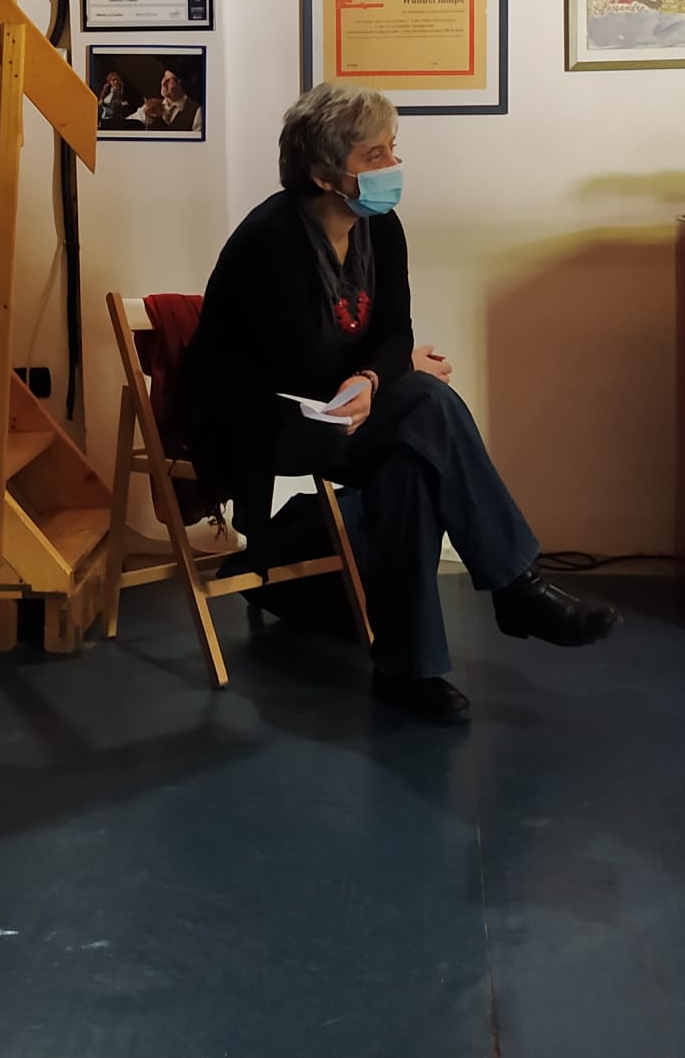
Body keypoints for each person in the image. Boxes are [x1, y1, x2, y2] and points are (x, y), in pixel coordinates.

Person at [179, 84, 618, 724]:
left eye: (392, 149)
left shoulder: (380, 228)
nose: (393, 165)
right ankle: (516, 587)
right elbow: (295, 365)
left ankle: (409, 670)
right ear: (324, 174)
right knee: (426, 404)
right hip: (254, 422)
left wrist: (378, 374)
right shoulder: (270, 240)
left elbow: (395, 332)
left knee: (409, 460)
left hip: (333, 409)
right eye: (374, 154)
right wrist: (392, 373)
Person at [146, 69, 201, 134]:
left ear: (183, 86)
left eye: (170, 81)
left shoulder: (197, 112)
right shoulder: (150, 105)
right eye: (164, 77)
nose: (163, 83)